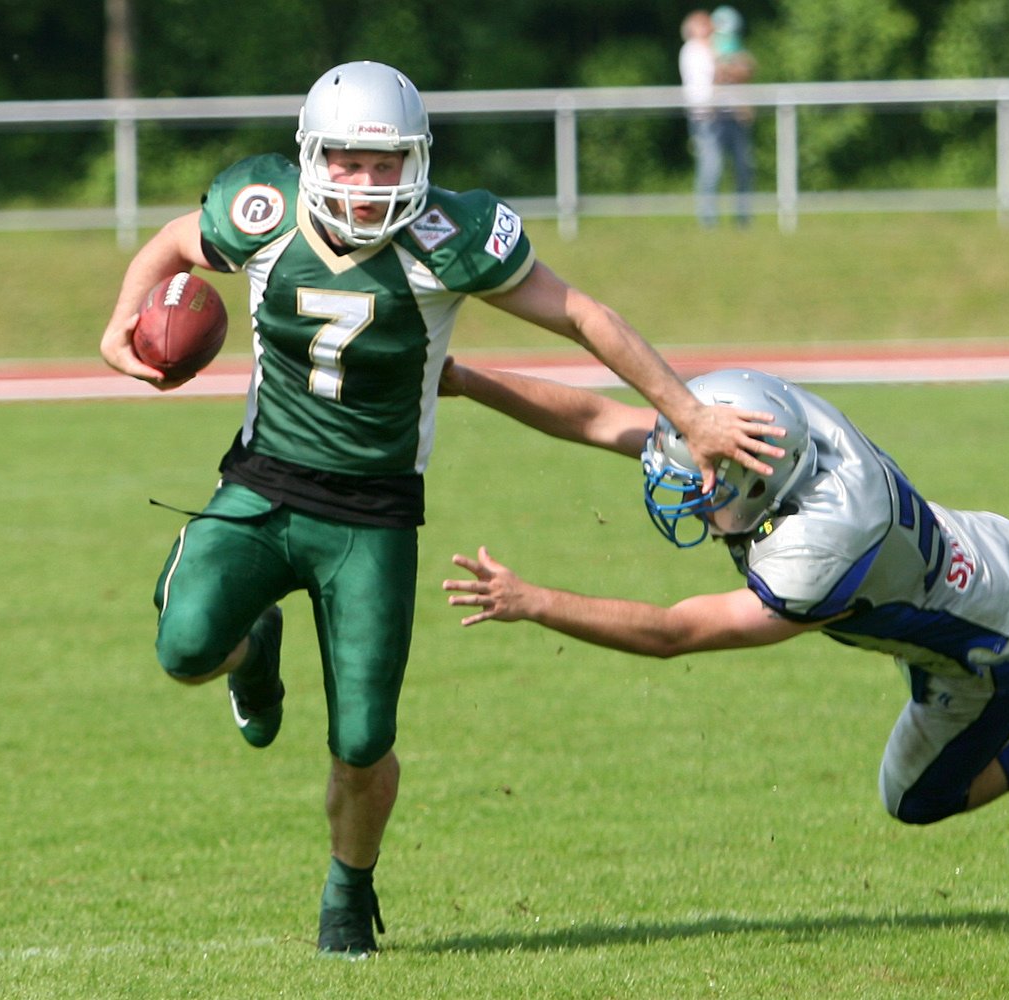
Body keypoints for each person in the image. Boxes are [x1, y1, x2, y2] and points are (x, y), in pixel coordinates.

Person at [98, 61, 779, 958]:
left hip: (373, 518)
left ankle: (348, 893)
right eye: (347, 162)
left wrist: (688, 413)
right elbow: (174, 242)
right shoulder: (262, 208)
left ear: (416, 161)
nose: (365, 183)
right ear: (313, 158)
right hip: (263, 484)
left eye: (385, 164)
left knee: (362, 740)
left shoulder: (449, 239)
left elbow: (584, 315)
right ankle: (252, 650)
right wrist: (121, 321)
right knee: (185, 646)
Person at [440, 363, 1009, 908]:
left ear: (757, 484)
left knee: (916, 797)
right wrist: (466, 379)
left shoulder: (816, 555)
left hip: (1004, 642)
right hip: (996, 561)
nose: (687, 495)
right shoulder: (779, 432)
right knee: (999, 735)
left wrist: (534, 601)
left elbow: (675, 632)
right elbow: (600, 418)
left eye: (702, 488)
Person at [709, 5, 756, 226]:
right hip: (715, 116)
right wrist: (729, 67)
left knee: (743, 168)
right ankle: (709, 220)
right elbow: (719, 73)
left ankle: (743, 217)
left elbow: (748, 68)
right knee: (713, 169)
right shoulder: (706, 47)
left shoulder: (736, 45)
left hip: (737, 116)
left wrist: (731, 68)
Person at [678, 9, 723, 227]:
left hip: (709, 113)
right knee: (710, 164)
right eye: (703, 25)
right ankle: (707, 216)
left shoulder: (700, 49)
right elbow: (712, 76)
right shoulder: (694, 49)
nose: (709, 28)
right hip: (702, 113)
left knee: (709, 163)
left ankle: (708, 215)